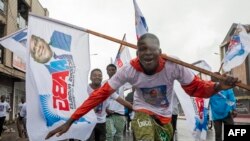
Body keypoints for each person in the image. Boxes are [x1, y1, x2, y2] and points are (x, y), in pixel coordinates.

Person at [45, 33, 239, 141]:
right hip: (142, 112)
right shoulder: (129, 70)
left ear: (160, 52)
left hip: (164, 118)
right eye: (142, 50)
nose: (147, 54)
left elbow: (195, 88)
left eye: (151, 50)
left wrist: (218, 86)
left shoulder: (174, 65)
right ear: (137, 52)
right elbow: (99, 95)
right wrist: (71, 120)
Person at [87, 68, 133, 141]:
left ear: (102, 77)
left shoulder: (106, 88)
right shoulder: (86, 89)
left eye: (99, 75)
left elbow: (121, 100)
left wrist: (136, 108)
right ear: (90, 77)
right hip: (89, 122)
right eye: (94, 75)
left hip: (102, 122)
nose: (97, 77)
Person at [210, 72, 237, 141]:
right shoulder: (210, 88)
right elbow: (231, 98)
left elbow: (231, 98)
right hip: (216, 116)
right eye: (212, 78)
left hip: (226, 113)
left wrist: (234, 109)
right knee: (218, 135)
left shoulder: (227, 87)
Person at [105, 64, 126, 141]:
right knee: (110, 134)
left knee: (118, 136)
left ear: (116, 71)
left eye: (113, 70)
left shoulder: (122, 82)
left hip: (120, 113)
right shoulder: (104, 83)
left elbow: (133, 82)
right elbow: (101, 99)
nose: (111, 71)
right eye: (109, 70)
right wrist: (105, 109)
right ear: (107, 71)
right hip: (108, 113)